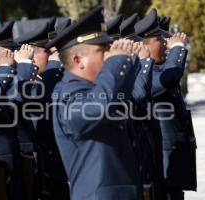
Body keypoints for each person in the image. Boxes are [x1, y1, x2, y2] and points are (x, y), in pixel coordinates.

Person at [47, 6, 143, 200]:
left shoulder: (98, 90)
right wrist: (116, 63)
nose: (108, 56)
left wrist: (128, 61)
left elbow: (123, 99)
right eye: (102, 51)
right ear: (78, 60)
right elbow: (97, 108)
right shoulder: (68, 95)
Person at [135, 8, 197, 200]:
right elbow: (169, 78)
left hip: (173, 163)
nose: (165, 44)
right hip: (161, 164)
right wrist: (178, 48)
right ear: (143, 45)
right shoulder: (141, 74)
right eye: (160, 40)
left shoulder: (157, 68)